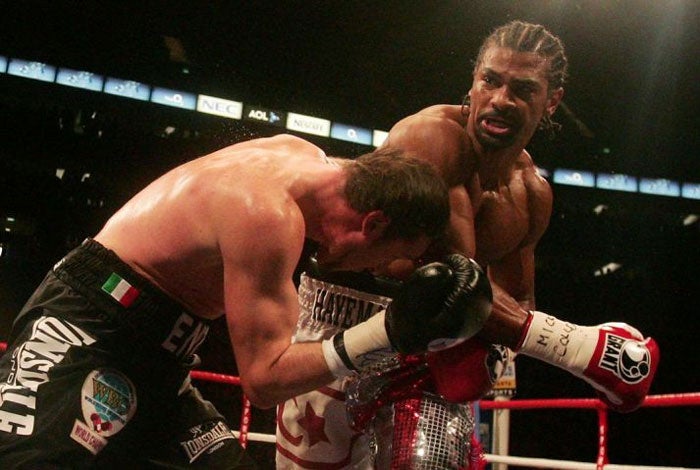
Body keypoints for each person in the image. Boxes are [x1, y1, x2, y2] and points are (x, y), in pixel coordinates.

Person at [276, 21, 659, 469]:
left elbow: (516, 299)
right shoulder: (432, 139)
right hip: (341, 329)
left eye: (522, 89)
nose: (500, 99)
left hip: (427, 359)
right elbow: (449, 278)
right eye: (490, 81)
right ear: (473, 81)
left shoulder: (532, 194)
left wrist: (490, 356)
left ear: (551, 100)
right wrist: (583, 350)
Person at [0, 133, 494, 468]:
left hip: (162, 358)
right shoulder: (268, 215)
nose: (377, 271)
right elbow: (263, 381)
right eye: (389, 256)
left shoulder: (299, 155)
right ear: (374, 224)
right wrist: (388, 331)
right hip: (89, 322)